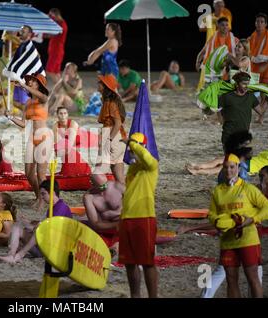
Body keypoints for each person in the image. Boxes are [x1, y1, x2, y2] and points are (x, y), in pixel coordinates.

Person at [208, 153, 268, 298]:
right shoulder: (218, 191)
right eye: (225, 168)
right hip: (227, 241)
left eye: (232, 167)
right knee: (231, 281)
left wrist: (253, 219)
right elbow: (211, 213)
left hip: (248, 240)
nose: (229, 170)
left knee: (252, 278)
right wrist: (217, 222)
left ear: (238, 167)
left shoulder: (248, 188)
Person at [120, 132, 159, 298]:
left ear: (143, 147)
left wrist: (133, 144)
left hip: (144, 218)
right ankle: (134, 295)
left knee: (147, 262)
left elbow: (148, 159)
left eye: (135, 146)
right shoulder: (133, 169)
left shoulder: (151, 166)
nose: (131, 149)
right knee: (129, 262)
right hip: (127, 218)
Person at [0, 180, 72, 264]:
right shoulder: (52, 207)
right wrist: (28, 222)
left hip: (54, 249)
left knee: (37, 229)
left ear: (52, 192)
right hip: (44, 245)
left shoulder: (61, 208)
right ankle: (11, 254)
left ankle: (19, 255)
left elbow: (51, 230)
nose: (42, 197)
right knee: (18, 226)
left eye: (44, 194)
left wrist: (35, 227)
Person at [5, 73, 50, 211]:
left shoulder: (44, 99)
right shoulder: (28, 103)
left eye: (32, 81)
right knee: (29, 173)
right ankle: (38, 196)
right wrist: (11, 117)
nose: (29, 82)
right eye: (28, 81)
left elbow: (40, 95)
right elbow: (24, 124)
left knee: (41, 174)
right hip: (32, 138)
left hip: (44, 138)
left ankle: (42, 202)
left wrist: (23, 85)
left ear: (39, 85)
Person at [3, 25, 45, 110]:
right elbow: (8, 54)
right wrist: (8, 38)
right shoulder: (21, 45)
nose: (21, 33)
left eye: (24, 31)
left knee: (24, 102)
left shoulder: (30, 46)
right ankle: (29, 115)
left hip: (25, 80)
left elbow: (37, 59)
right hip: (18, 78)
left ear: (29, 34)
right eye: (21, 31)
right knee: (16, 102)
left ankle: (30, 117)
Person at [218, 72, 263, 151]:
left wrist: (267, 99)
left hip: (244, 136)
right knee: (230, 160)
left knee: (242, 161)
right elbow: (217, 109)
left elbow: (260, 111)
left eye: (248, 84)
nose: (247, 86)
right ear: (237, 84)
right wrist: (221, 120)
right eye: (244, 84)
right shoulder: (226, 96)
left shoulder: (250, 96)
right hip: (229, 135)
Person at [95, 74, 127, 184]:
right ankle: (126, 199)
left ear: (105, 86)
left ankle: (102, 196)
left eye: (100, 82)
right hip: (118, 138)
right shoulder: (109, 101)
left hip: (112, 137)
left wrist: (108, 140)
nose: (98, 83)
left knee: (97, 173)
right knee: (119, 179)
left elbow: (117, 123)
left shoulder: (111, 103)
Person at [83, 173, 125, 256]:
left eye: (105, 185)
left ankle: (115, 247)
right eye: (101, 187)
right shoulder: (89, 198)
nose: (104, 190)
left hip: (125, 224)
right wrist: (117, 224)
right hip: (106, 227)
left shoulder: (117, 186)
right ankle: (114, 248)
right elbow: (95, 223)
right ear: (92, 184)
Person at [248, 13, 268, 123]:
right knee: (250, 94)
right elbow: (247, 54)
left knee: (264, 95)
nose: (259, 24)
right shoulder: (251, 38)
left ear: (266, 24)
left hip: (266, 69)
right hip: (254, 69)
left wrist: (265, 66)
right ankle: (258, 112)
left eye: (261, 22)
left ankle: (260, 118)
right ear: (255, 23)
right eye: (257, 21)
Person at [52, 106, 91, 176]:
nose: (63, 116)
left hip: (78, 144)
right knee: (61, 149)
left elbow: (70, 144)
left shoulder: (73, 124)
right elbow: (57, 144)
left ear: (67, 114)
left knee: (68, 151)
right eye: (61, 113)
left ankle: (80, 170)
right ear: (57, 115)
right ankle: (68, 171)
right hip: (66, 148)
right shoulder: (55, 125)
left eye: (65, 113)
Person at [45, 8, 68, 86]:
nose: (50, 18)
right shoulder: (58, 23)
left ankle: (59, 90)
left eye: (51, 16)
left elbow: (50, 34)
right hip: (56, 51)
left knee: (49, 71)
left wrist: (39, 34)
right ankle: (62, 90)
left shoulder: (61, 25)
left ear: (56, 15)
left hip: (57, 52)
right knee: (56, 73)